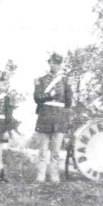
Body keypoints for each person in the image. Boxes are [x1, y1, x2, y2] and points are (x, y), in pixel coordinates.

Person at [33, 53, 73, 183]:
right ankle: (40, 176)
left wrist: (70, 88)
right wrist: (50, 96)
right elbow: (37, 98)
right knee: (43, 151)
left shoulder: (66, 81)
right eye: (52, 63)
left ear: (60, 65)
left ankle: (54, 176)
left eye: (57, 63)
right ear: (49, 63)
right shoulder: (41, 80)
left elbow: (68, 102)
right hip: (45, 117)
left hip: (60, 119)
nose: (54, 65)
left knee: (55, 152)